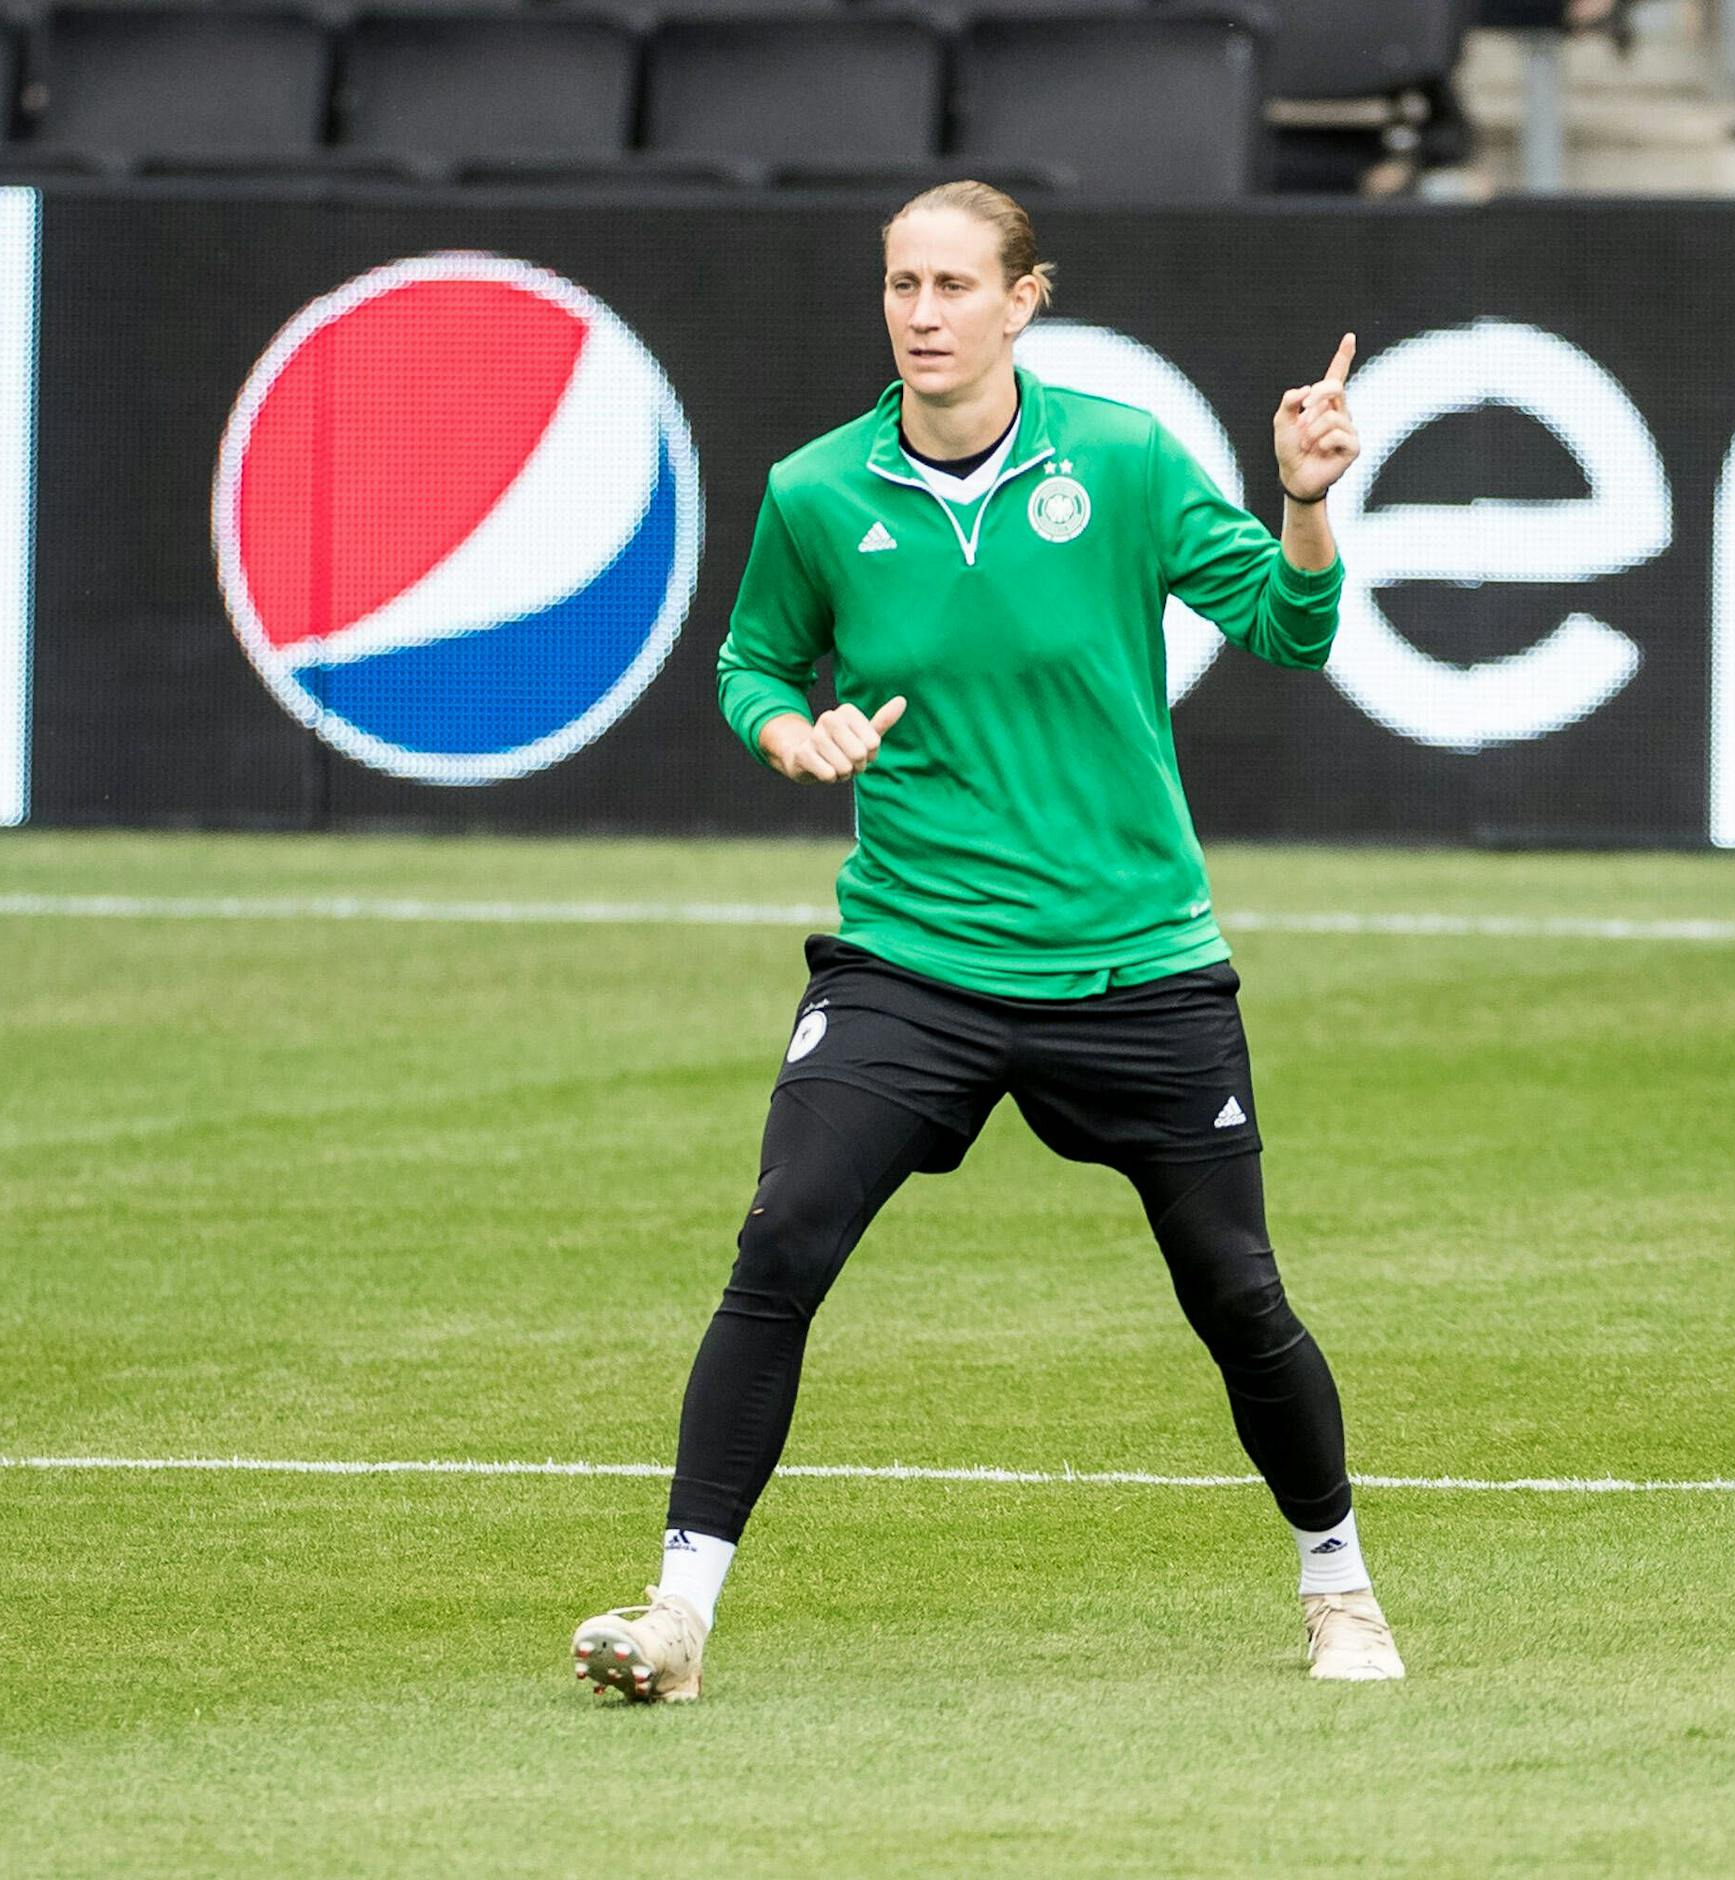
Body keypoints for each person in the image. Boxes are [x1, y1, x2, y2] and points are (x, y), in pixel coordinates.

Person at [573, 179, 1404, 1701]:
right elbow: (753, 660)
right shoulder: (819, 491)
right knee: (780, 1240)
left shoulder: (1127, 460)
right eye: (902, 284)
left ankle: (1338, 1583)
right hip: (914, 960)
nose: (924, 313)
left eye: (956, 284)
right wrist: (787, 734)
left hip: (1133, 963)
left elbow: (1294, 633)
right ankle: (676, 1615)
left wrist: (1303, 500)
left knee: (1235, 1292)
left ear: (1026, 300)